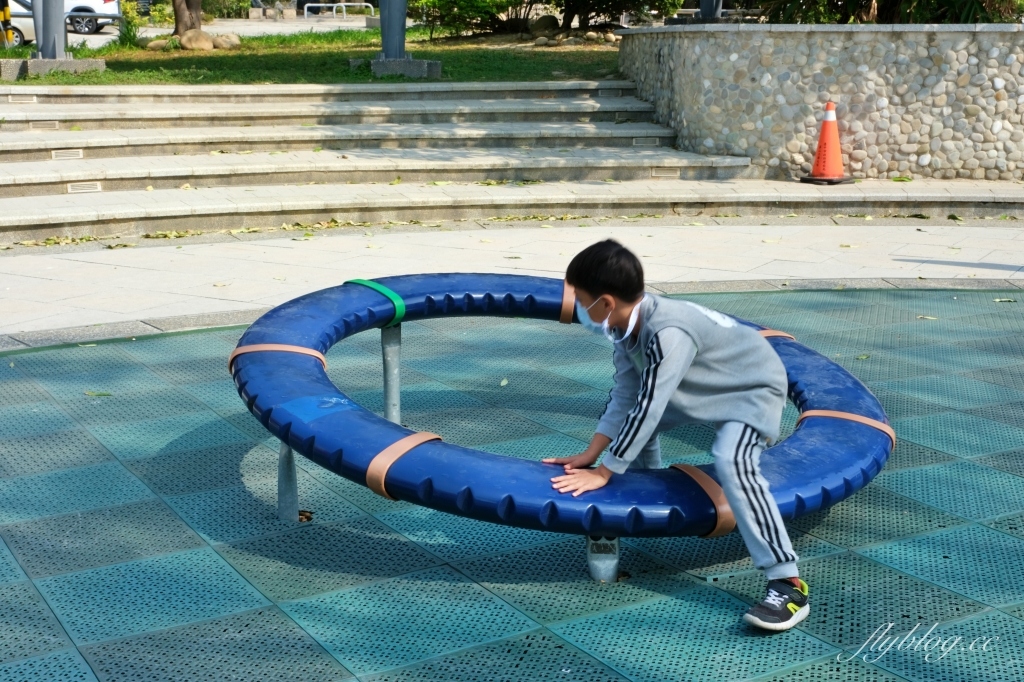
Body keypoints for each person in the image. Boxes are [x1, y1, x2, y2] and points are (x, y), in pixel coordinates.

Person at [543, 239, 809, 632]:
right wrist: (592, 453)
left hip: (752, 387)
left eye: (582, 300)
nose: (581, 308)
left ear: (605, 302)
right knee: (634, 426)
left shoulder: (668, 331)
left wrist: (605, 472)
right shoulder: (623, 330)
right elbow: (625, 396)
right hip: (701, 385)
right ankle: (651, 490)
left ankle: (787, 582)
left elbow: (650, 405)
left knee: (732, 459)